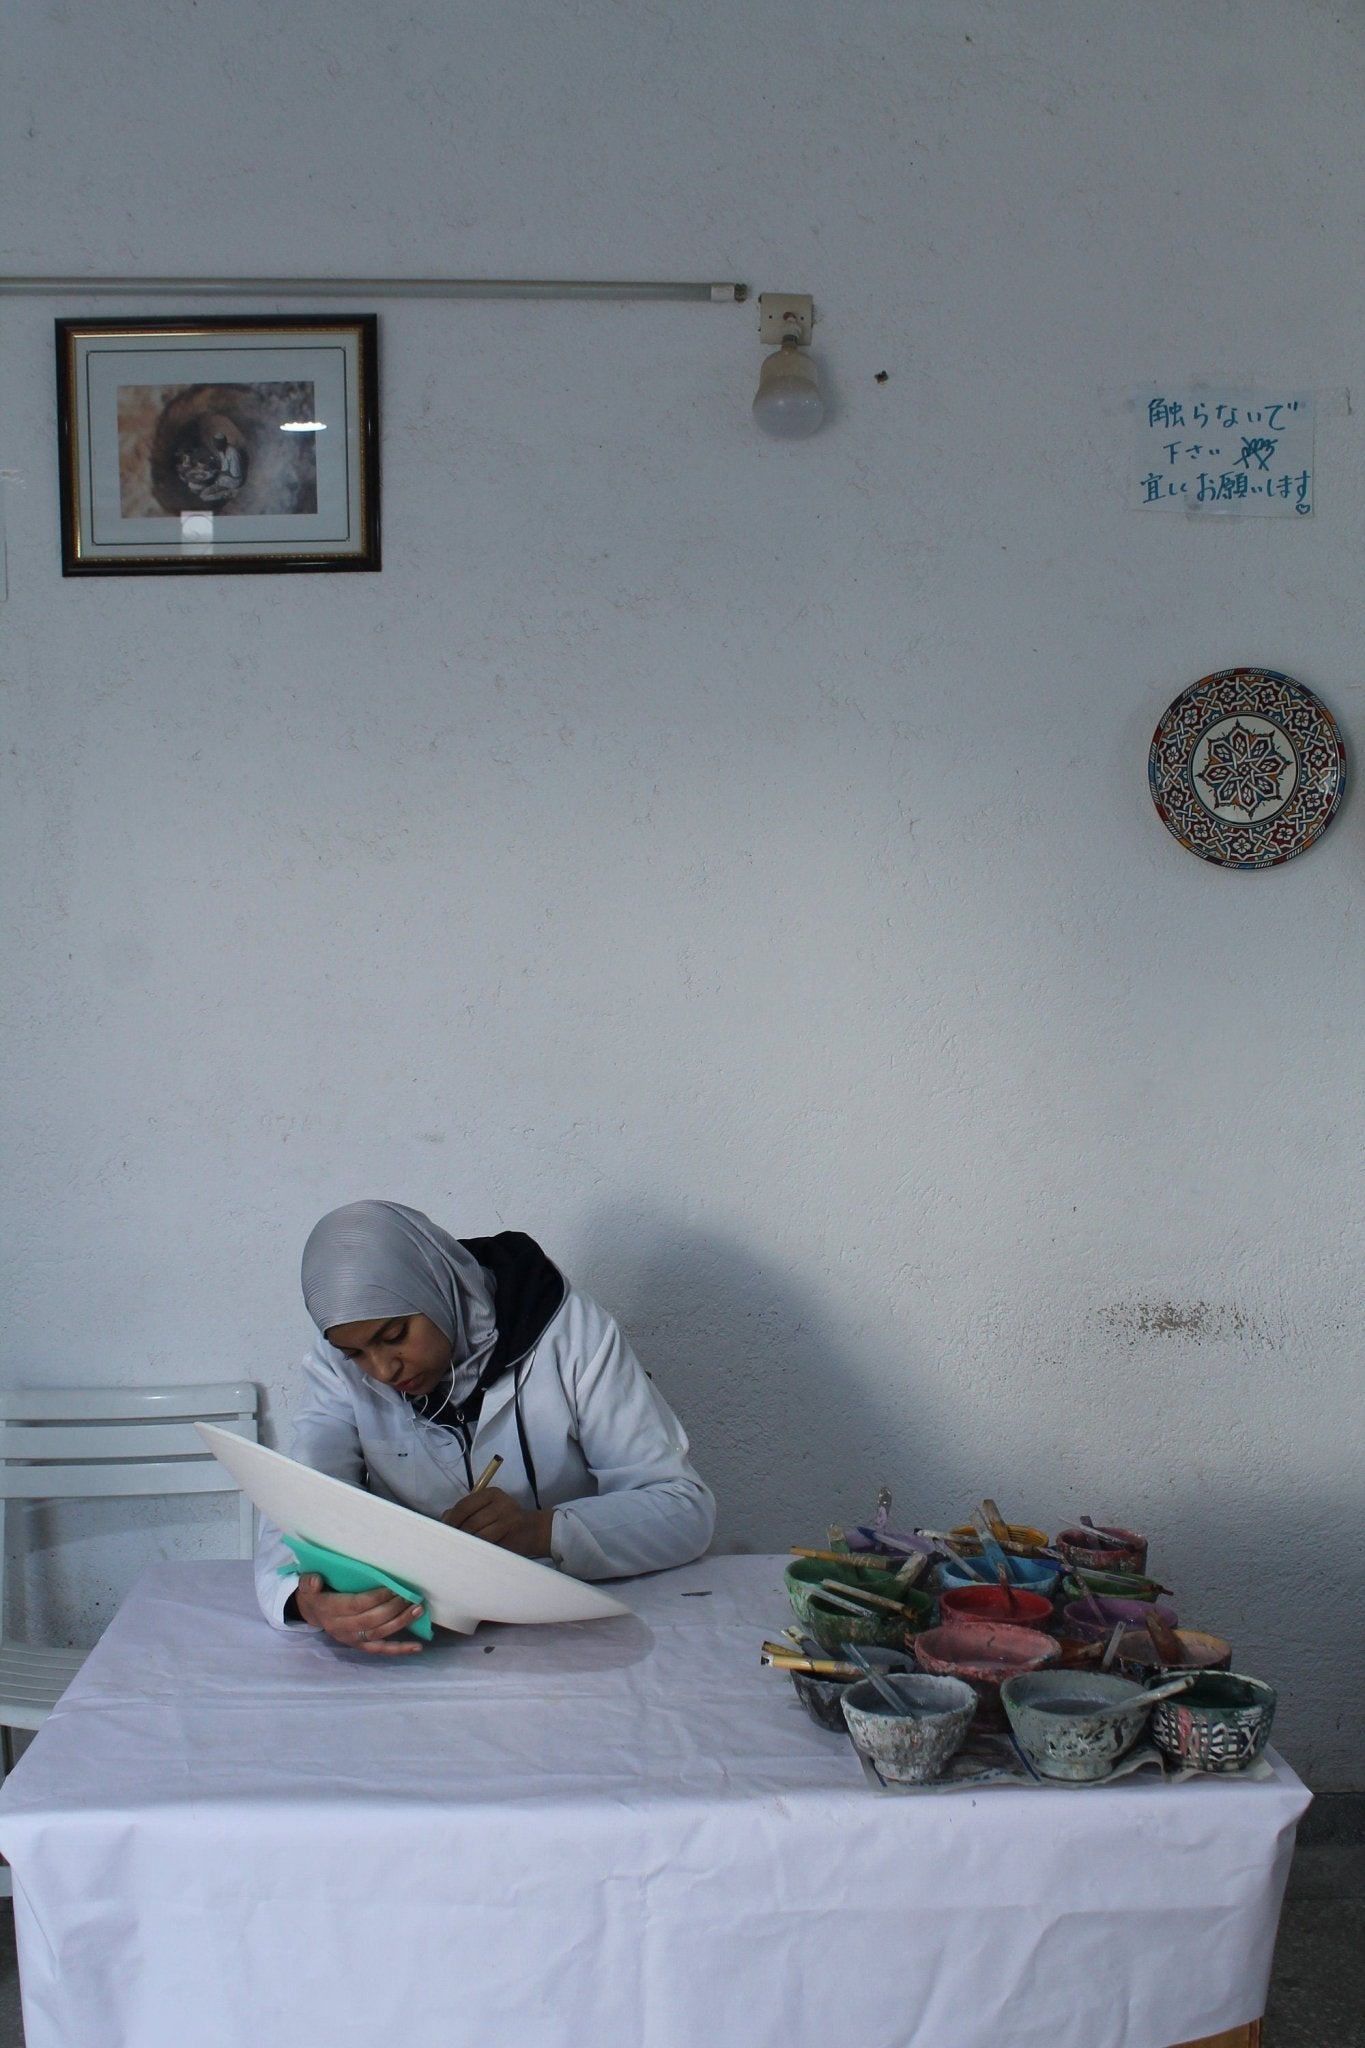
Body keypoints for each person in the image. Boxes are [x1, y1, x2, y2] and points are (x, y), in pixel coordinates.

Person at [255, 1200, 715, 1654]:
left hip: (573, 1632)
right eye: (355, 1353)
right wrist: (305, 1600)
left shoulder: (569, 1334)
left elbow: (684, 1510)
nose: (381, 1368)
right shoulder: (340, 1363)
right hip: (427, 1644)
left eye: (394, 1336)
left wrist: (540, 1531)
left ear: (436, 1288)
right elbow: (300, 1497)